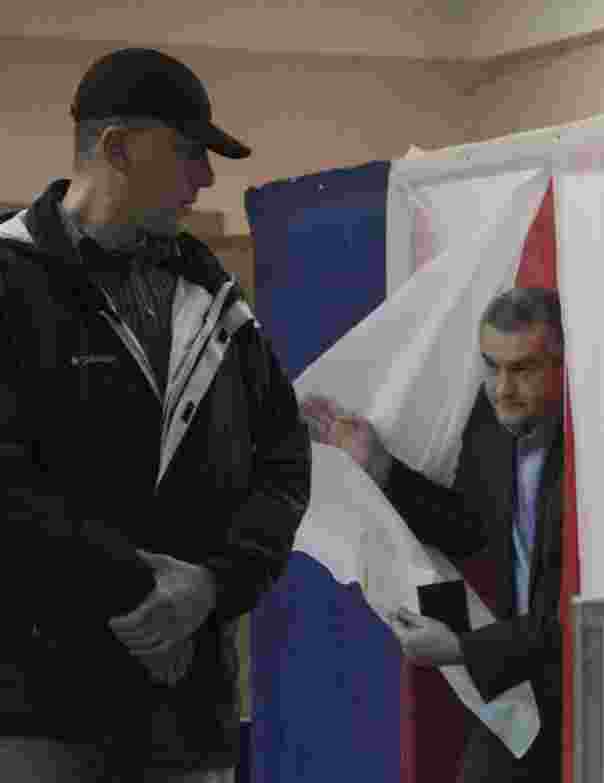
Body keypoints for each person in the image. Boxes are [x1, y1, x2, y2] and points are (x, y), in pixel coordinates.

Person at [0, 48, 311, 781]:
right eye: (189, 153)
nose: (205, 178)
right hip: (43, 718)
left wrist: (210, 585)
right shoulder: (12, 284)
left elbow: (285, 461)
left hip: (187, 720)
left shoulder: (213, 298)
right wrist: (138, 595)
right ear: (115, 149)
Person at [302, 287, 565, 783]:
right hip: (519, 680)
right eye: (491, 366)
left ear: (562, 365)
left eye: (523, 368)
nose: (502, 388)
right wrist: (382, 469)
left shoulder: (585, 453)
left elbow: (575, 620)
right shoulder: (491, 426)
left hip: (580, 683)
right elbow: (468, 530)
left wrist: (465, 650)